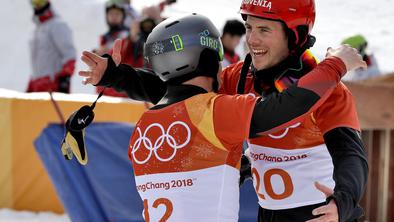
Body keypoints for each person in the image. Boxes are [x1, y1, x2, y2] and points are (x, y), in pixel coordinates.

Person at [79, 12, 367, 221]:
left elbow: (350, 153)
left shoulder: (327, 90)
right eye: (248, 27)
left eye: (264, 30)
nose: (251, 39)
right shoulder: (237, 78)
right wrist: (117, 76)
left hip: (319, 213)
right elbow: (185, 89)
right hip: (268, 213)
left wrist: (344, 199)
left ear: (294, 35)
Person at [27, 0, 76, 93]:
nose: (37, 5)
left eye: (40, 1)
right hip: (37, 86)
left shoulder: (57, 25)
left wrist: (65, 78)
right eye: (34, 2)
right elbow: (37, 62)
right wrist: (31, 84)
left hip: (53, 86)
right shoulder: (35, 30)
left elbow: (70, 54)